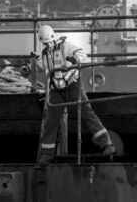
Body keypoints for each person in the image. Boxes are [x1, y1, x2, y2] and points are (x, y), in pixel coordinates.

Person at [30, 25, 115, 164]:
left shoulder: (66, 46)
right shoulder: (44, 55)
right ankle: (46, 155)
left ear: (53, 38)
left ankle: (107, 144)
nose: (48, 44)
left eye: (49, 42)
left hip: (73, 85)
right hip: (56, 91)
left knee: (87, 113)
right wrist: (30, 65)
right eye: (45, 43)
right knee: (51, 122)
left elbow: (83, 55)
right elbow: (41, 67)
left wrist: (71, 61)